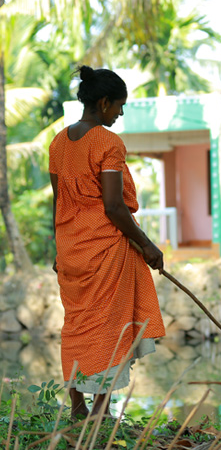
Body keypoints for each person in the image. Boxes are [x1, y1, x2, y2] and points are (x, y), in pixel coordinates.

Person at [49, 65, 165, 419]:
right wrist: (147, 245)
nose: (121, 112)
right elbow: (113, 206)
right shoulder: (107, 141)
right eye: (119, 105)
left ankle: (77, 407)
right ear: (103, 103)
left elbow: (59, 204)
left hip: (71, 249)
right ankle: (100, 412)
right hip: (104, 249)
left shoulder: (57, 142)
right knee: (106, 326)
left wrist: (59, 249)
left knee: (76, 326)